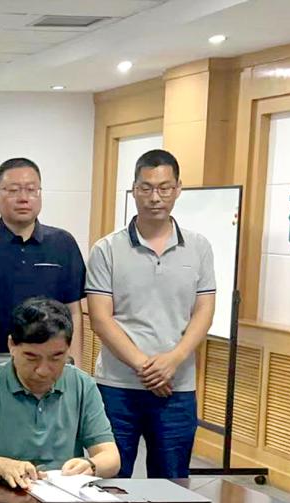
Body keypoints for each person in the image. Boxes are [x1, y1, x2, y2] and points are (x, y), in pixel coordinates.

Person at [86, 148, 215, 479]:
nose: (155, 197)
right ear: (134, 190)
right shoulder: (106, 249)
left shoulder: (199, 247)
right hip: (117, 386)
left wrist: (173, 360)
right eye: (146, 188)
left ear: (178, 189)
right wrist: (146, 367)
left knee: (172, 484)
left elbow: (204, 311)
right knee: (110, 482)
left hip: (177, 387)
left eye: (164, 188)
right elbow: (101, 319)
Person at [0, 298, 120, 488]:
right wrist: (3, 465)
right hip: (2, 493)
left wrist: (91, 465)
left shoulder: (82, 385)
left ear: (68, 349)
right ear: (11, 345)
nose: (43, 370)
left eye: (56, 357)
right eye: (31, 357)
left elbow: (111, 457)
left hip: (63, 496)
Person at [0, 158, 86, 365]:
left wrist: (75, 369)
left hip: (49, 367)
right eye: (13, 190)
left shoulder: (63, 243)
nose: (23, 198)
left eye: (31, 190)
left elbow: (74, 312)